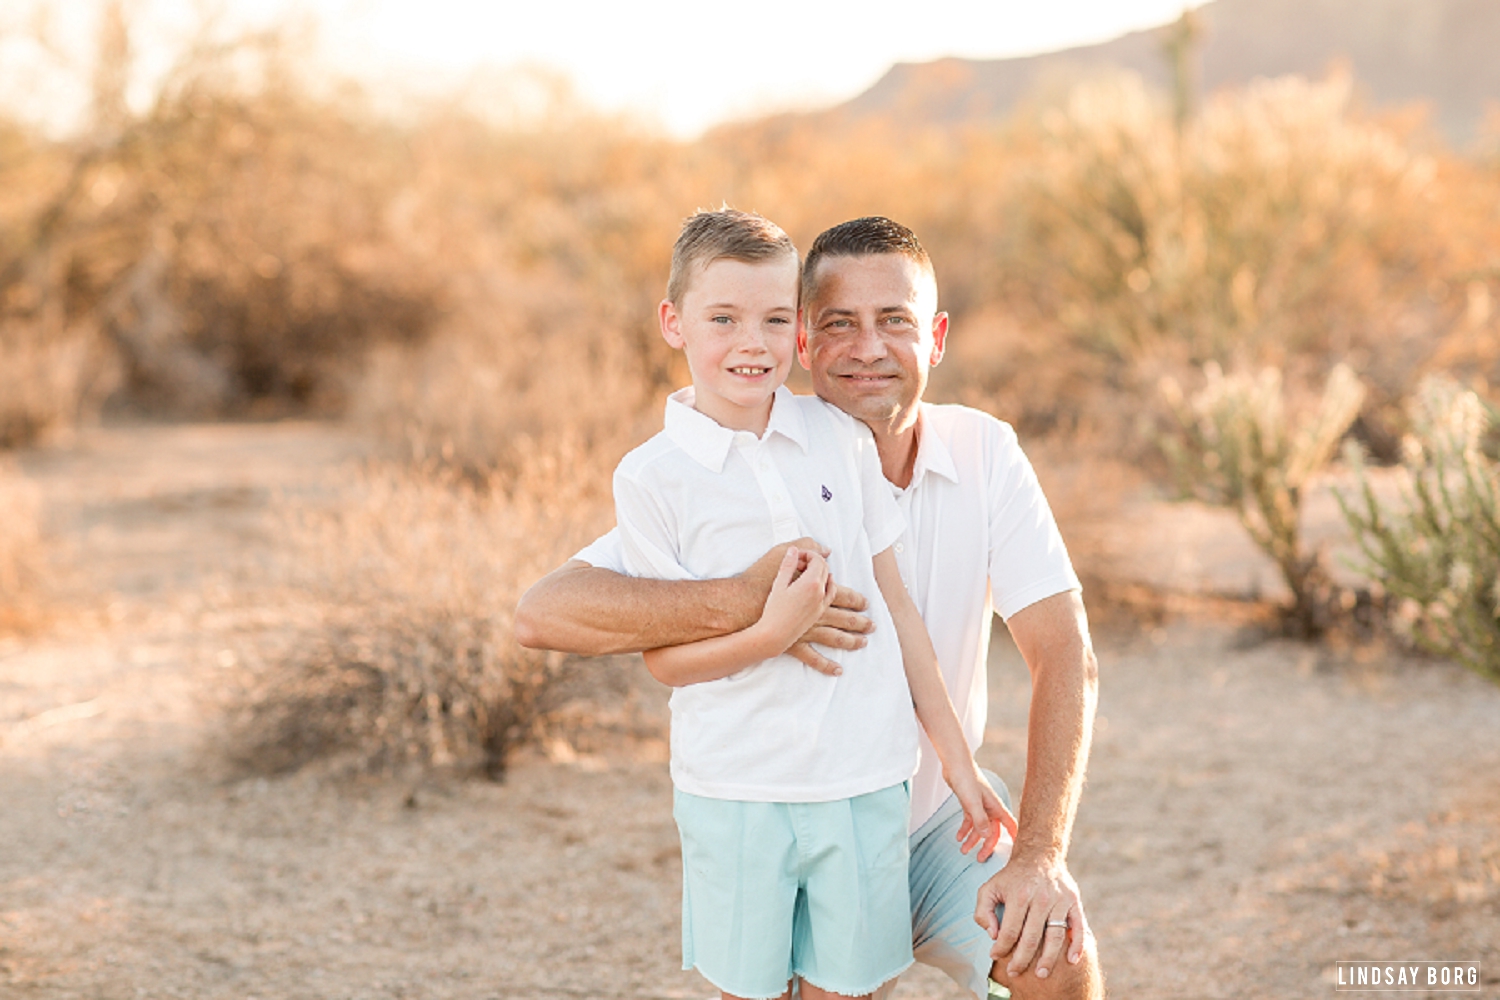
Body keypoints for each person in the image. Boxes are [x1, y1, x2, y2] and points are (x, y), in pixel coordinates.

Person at [517, 217, 1105, 1000]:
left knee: (1054, 955)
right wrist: (749, 607)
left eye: (893, 321)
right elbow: (546, 611)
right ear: (807, 343)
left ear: (933, 338)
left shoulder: (979, 452)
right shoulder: (724, 470)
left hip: (931, 822)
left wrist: (1038, 855)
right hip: (785, 801)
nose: (867, 348)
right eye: (838, 324)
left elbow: (1065, 653)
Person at [598, 208, 1011, 1000]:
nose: (750, 343)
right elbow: (665, 662)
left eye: (774, 319)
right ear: (673, 323)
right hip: (734, 790)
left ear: (797, 335)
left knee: (847, 993)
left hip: (862, 782)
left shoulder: (838, 439)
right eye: (723, 318)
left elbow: (899, 611)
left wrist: (959, 767)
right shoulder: (649, 479)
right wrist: (771, 633)